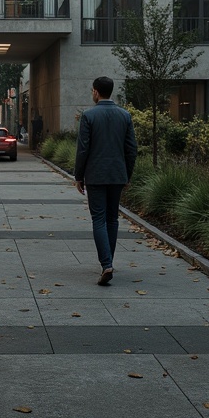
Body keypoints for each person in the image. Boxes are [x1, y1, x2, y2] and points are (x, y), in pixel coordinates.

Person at [74, 76, 137, 286]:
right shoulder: (125, 115)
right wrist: (127, 174)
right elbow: (131, 149)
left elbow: (83, 149)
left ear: (95, 92)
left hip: (96, 175)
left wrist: (78, 176)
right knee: (112, 219)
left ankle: (106, 264)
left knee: (98, 219)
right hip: (117, 174)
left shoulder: (89, 116)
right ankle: (108, 262)